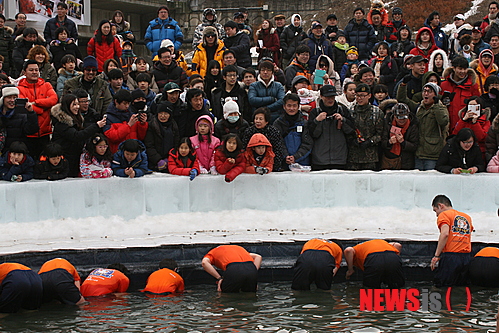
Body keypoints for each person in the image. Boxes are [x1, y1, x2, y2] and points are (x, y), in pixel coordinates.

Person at [51, 94, 105, 177]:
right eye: (74, 104)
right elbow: (76, 136)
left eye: (77, 104)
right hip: (65, 159)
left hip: (76, 157)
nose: (77, 107)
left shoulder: (77, 118)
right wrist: (96, 126)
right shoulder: (61, 123)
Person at [18, 60, 58, 160]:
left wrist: (35, 103)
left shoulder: (46, 85)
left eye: (36, 70)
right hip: (28, 135)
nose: (34, 72)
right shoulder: (19, 88)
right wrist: (43, 108)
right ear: (24, 72)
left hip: (45, 133)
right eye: (31, 70)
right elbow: (24, 106)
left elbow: (53, 99)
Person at [430, 195, 473, 287]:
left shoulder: (444, 215)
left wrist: (436, 255)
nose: (436, 215)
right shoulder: (467, 217)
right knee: (461, 288)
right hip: (466, 258)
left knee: (443, 287)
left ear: (441, 206)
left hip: (451, 257)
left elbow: (445, 234)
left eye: (435, 210)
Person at [308, 85, 353, 170]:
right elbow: (312, 134)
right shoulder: (315, 112)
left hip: (340, 159)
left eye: (332, 97)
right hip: (320, 160)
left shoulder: (342, 110)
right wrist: (317, 121)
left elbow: (351, 130)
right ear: (321, 96)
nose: (330, 99)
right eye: (327, 97)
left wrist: (343, 120)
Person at [347, 83, 384, 170]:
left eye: (363, 96)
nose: (360, 98)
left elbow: (380, 133)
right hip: (353, 156)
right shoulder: (350, 111)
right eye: (358, 95)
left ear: (369, 96)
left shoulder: (376, 112)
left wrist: (370, 141)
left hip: (370, 156)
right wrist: (352, 140)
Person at [441, 56, 480, 133]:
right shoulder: (444, 85)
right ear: (454, 68)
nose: (463, 71)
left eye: (465, 69)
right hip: (447, 127)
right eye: (460, 69)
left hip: (465, 128)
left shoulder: (472, 86)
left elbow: (477, 107)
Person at [274, 93, 313, 169]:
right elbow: (277, 142)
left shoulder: (304, 123)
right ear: (284, 107)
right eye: (289, 105)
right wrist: (286, 156)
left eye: (294, 105)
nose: (292, 108)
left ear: (298, 106)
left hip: (303, 163)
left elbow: (308, 143)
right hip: (283, 163)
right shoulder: (278, 123)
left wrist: (296, 157)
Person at [104, 89, 148, 153]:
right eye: (124, 103)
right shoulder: (108, 117)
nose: (127, 106)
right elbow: (113, 137)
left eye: (128, 103)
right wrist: (128, 125)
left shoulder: (132, 115)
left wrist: (142, 124)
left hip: (133, 153)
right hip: (117, 153)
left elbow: (141, 137)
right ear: (116, 102)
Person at [0, 86, 38, 155]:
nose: (12, 100)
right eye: (9, 97)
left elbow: (31, 130)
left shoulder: (22, 114)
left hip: (15, 153)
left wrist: (31, 113)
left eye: (14, 97)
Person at [380, 103, 419, 170]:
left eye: (404, 117)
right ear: (394, 116)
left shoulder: (413, 126)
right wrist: (389, 142)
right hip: (389, 159)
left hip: (406, 161)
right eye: (399, 117)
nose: (401, 120)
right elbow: (382, 142)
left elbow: (414, 146)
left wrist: (403, 142)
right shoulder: (387, 123)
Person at [144, 101, 179, 172]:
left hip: (171, 162)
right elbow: (149, 146)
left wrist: (170, 158)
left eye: (166, 113)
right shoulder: (152, 125)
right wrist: (158, 160)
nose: (163, 116)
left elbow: (176, 144)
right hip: (154, 163)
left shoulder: (174, 126)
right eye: (160, 113)